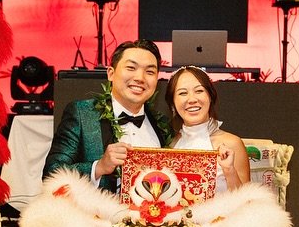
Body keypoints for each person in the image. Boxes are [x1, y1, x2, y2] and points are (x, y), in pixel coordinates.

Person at [43, 39, 173, 192]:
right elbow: (51, 173)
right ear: (111, 73)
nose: (140, 78)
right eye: (131, 68)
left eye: (150, 72)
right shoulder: (82, 113)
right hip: (95, 214)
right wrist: (98, 167)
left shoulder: (162, 124)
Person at [164, 65, 250, 194]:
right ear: (173, 105)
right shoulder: (170, 146)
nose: (192, 99)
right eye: (182, 93)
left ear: (210, 97)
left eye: (199, 91)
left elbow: (247, 203)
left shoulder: (232, 143)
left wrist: (229, 170)